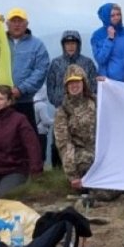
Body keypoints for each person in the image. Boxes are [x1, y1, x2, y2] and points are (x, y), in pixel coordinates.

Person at [54, 65, 117, 200]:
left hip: (103, 153)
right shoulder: (62, 111)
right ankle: (90, 191)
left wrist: (109, 86)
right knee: (104, 191)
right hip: (82, 158)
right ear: (66, 86)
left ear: (84, 82)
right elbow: (64, 144)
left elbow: (117, 106)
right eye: (70, 83)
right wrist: (73, 176)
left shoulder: (96, 101)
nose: (74, 85)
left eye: (77, 81)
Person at [46, 31, 98, 168]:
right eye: (67, 43)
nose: (70, 46)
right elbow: (50, 86)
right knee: (59, 139)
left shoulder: (87, 63)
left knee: (84, 140)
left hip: (84, 109)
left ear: (78, 45)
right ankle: (57, 169)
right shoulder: (56, 63)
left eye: (73, 43)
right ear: (63, 45)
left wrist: (87, 103)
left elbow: (93, 85)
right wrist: (59, 103)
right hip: (62, 108)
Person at [5, 8, 50, 130]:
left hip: (24, 102)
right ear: (7, 24)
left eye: (20, 21)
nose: (17, 24)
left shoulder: (37, 45)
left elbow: (41, 70)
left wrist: (21, 89)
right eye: (13, 21)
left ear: (26, 24)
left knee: (27, 138)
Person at [91, 3, 124, 82]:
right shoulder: (97, 35)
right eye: (112, 16)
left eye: (118, 14)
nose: (116, 17)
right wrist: (109, 39)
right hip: (108, 82)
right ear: (106, 17)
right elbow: (100, 59)